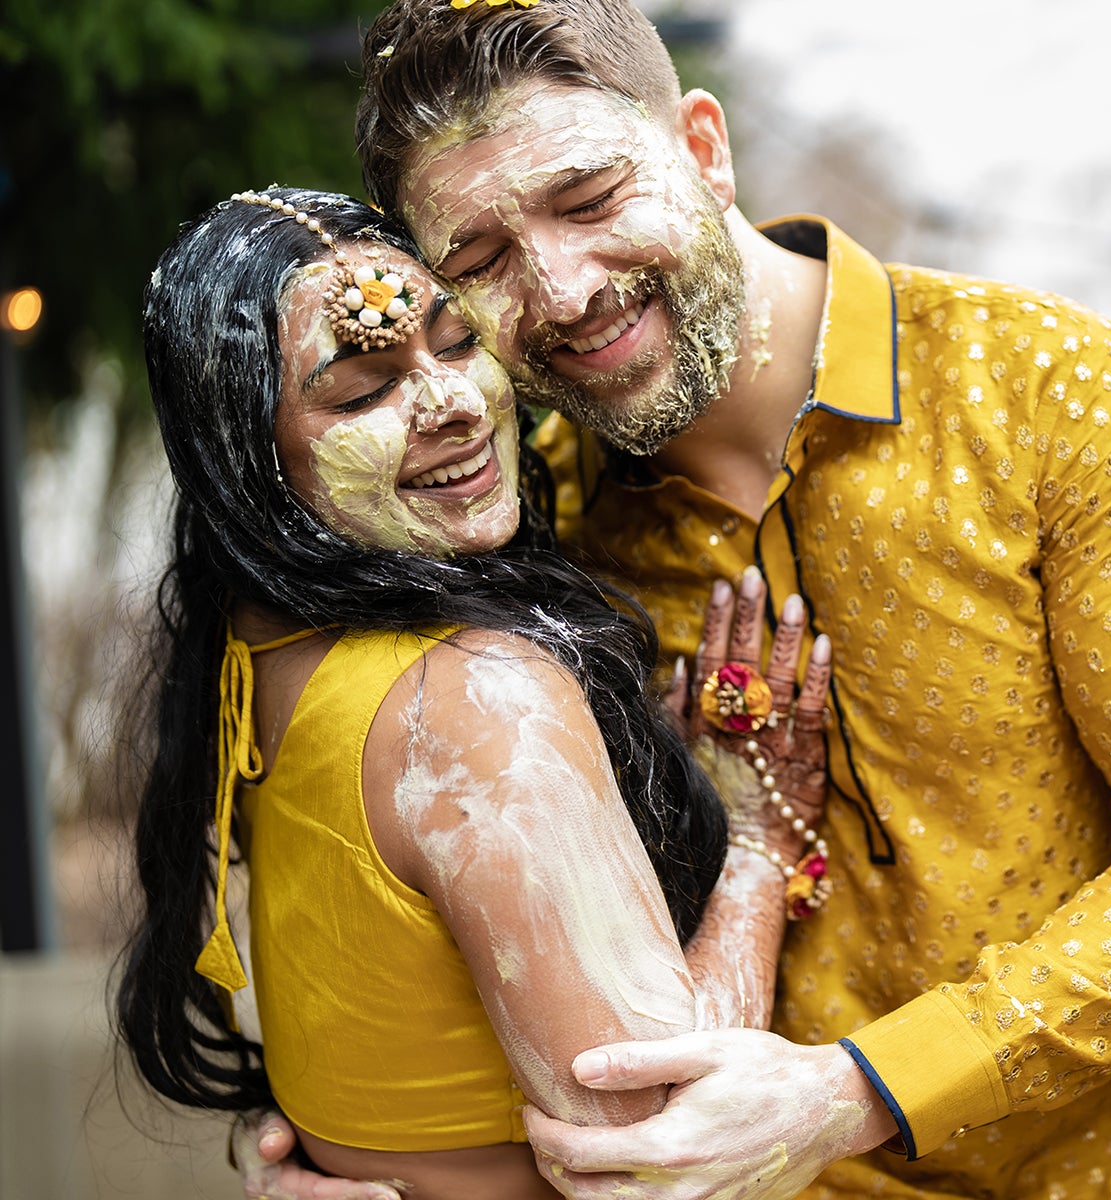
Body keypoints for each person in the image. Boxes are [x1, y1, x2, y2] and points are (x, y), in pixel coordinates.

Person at [260, 1, 1111, 1195]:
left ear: (703, 149)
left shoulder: (1040, 392)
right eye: (480, 260)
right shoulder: (533, 536)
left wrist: (855, 1091)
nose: (560, 290)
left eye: (591, 199)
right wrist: (351, 1158)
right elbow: (386, 856)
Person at [115, 188, 848, 1200]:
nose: (451, 401)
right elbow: (660, 1160)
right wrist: (759, 851)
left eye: (458, 343)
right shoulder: (471, 702)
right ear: (250, 461)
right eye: (363, 391)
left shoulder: (255, 644)